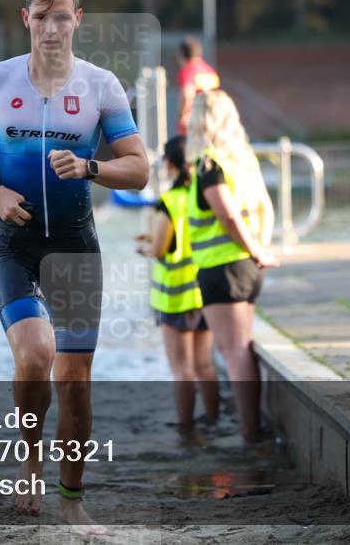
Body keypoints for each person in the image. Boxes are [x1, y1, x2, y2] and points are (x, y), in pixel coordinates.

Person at [0, 0, 149, 534]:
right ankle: (31, 457)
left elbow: (139, 169)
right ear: (25, 20)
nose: (51, 29)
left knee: (75, 381)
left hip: (76, 249)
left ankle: (72, 500)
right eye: (41, 18)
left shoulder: (101, 87)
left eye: (61, 17)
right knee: (35, 355)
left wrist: (89, 167)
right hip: (15, 245)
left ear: (77, 20)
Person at [185, 89, 277, 443]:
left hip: (221, 269)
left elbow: (227, 216)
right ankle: (252, 428)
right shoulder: (244, 160)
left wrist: (255, 251)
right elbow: (266, 207)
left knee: (234, 350)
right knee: (242, 346)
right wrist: (260, 250)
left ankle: (249, 432)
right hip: (245, 268)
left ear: (200, 122)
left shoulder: (209, 164)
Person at [136, 136, 219, 432]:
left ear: (169, 164)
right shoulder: (203, 196)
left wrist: (145, 247)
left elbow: (161, 249)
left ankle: (185, 427)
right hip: (203, 292)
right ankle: (213, 418)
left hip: (175, 297)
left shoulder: (170, 201)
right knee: (205, 364)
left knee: (182, 368)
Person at [175, 37, 220, 136]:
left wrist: (181, 117)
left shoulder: (187, 71)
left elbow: (187, 94)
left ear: (182, 55)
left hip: (194, 124)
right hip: (212, 122)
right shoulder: (210, 71)